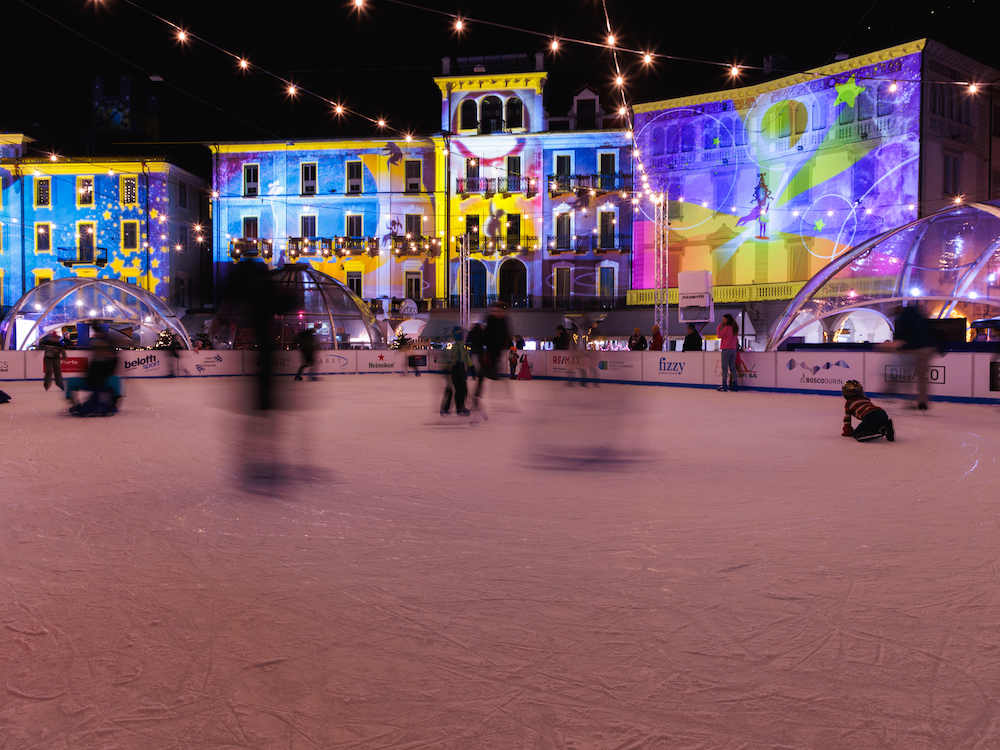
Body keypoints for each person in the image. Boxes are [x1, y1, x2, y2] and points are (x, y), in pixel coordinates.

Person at [440, 327, 471, 416]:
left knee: (461, 389)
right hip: (452, 369)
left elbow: (465, 357)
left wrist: (469, 367)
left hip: (458, 369)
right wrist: (447, 367)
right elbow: (448, 357)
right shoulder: (452, 345)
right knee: (451, 389)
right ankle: (445, 408)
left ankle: (459, 407)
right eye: (462, 334)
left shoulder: (460, 345)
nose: (463, 336)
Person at [717, 314, 739, 391]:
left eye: (724, 320)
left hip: (726, 349)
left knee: (724, 367)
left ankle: (724, 384)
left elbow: (719, 335)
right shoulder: (734, 328)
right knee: (732, 368)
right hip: (733, 350)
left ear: (728, 320)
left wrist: (719, 326)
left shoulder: (726, 328)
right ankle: (735, 384)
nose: (723, 321)